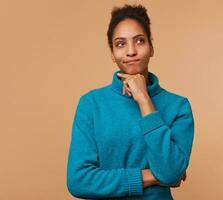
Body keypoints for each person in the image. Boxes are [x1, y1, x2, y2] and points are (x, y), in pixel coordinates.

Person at [66, 4, 194, 199]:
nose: (131, 51)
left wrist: (144, 100)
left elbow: (169, 172)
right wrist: (151, 176)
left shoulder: (178, 106)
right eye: (120, 44)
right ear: (112, 53)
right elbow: (78, 181)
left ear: (151, 47)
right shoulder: (91, 104)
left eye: (140, 41)